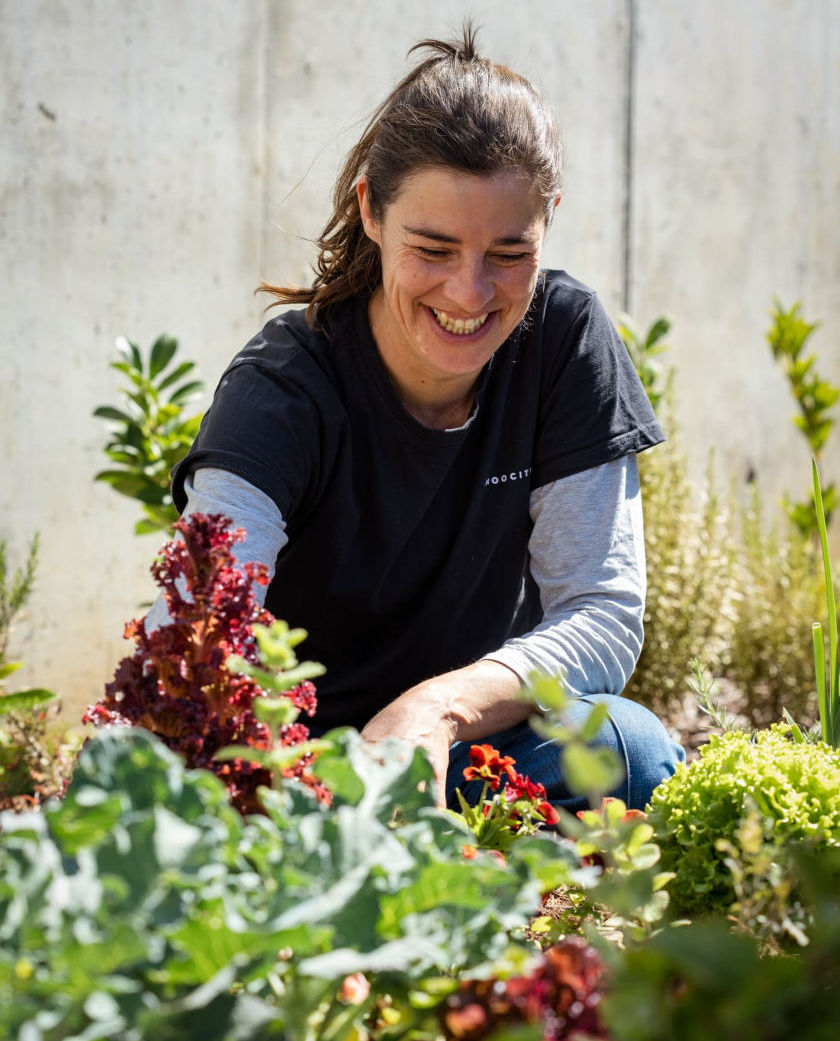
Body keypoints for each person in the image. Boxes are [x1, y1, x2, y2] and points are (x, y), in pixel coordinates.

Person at [164, 25, 684, 811]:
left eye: (508, 253)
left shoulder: (564, 341)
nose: (470, 294)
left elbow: (600, 612)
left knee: (629, 749)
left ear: (548, 219)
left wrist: (436, 710)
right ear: (372, 210)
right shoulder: (283, 391)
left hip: (465, 743)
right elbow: (198, 624)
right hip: (295, 772)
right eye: (433, 248)